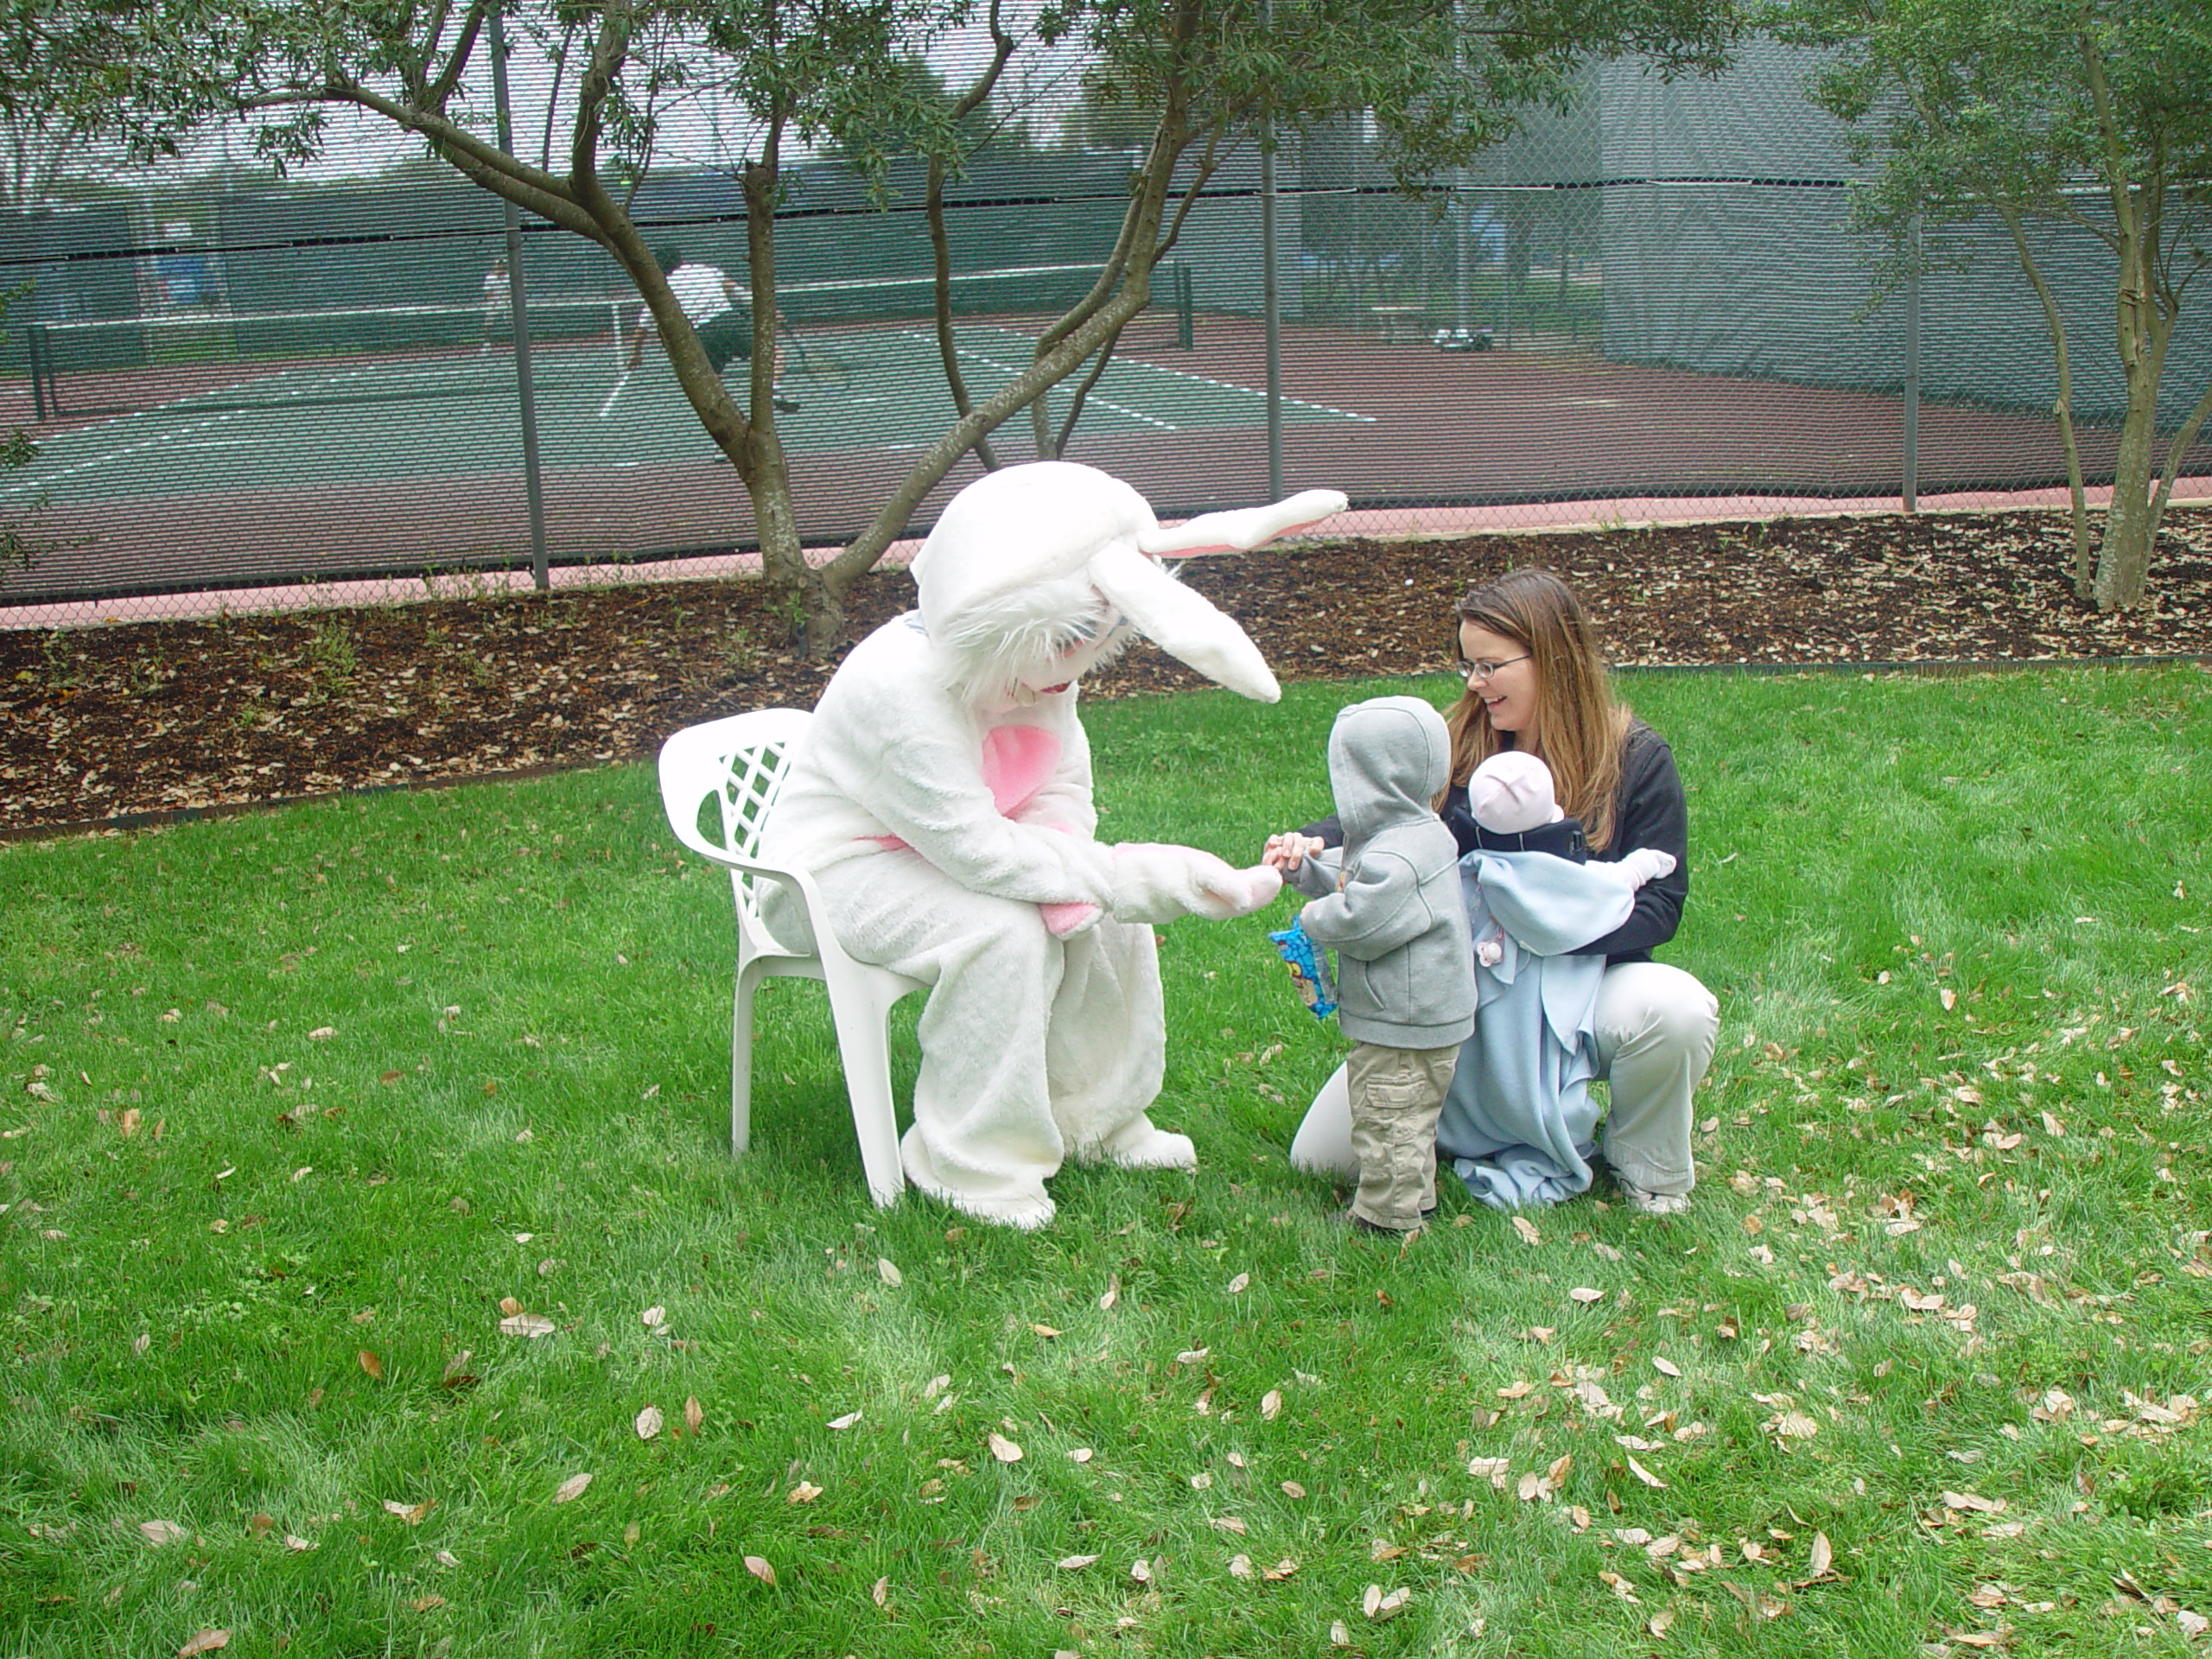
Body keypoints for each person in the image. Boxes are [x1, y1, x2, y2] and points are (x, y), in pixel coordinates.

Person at [1278, 568, 1719, 1215]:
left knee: (1676, 1009)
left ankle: (1644, 1164)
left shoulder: (1635, 758)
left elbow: (1660, 907)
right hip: (1462, 986)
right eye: (1468, 665)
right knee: (1319, 1159)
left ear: (1552, 659)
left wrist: (1537, 926)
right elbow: (1388, 820)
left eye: (1489, 666)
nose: (1473, 683)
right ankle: (1469, 1122)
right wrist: (1314, 841)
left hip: (1582, 984)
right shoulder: (1458, 744)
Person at [1265, 696, 1476, 1235]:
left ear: (1376, 777)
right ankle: (1415, 1197)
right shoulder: (1408, 834)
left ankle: (1386, 1220)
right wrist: (1307, 868)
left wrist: (1312, 918)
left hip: (1406, 1021)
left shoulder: (1400, 855)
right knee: (1407, 1117)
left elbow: (1363, 919)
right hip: (1415, 1014)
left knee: (1388, 1118)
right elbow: (1351, 872)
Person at [1439, 749, 1675, 1209]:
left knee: (1480, 1063)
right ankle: (1539, 1133)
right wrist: (1648, 863)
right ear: (1554, 818)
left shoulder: (1462, 878)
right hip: (1536, 1019)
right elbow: (1617, 882)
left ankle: (1466, 1129)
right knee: (1541, 1069)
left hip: (1475, 1019)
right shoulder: (1570, 883)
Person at [626, 244, 794, 412]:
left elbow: (642, 328)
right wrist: (771, 311)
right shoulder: (704, 270)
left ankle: (726, 412)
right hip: (730, 323)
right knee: (774, 352)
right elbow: (739, 293)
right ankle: (773, 386)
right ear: (682, 259)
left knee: (712, 380)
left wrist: (636, 354)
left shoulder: (660, 288)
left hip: (701, 336)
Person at [480, 257, 511, 353]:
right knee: (488, 323)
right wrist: (495, 302)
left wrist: (505, 301)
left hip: (507, 303)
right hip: (493, 304)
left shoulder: (509, 277)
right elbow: (489, 293)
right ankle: (487, 343)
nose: (501, 266)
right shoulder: (490, 278)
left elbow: (509, 292)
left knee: (515, 321)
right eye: (499, 265)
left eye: (503, 265)